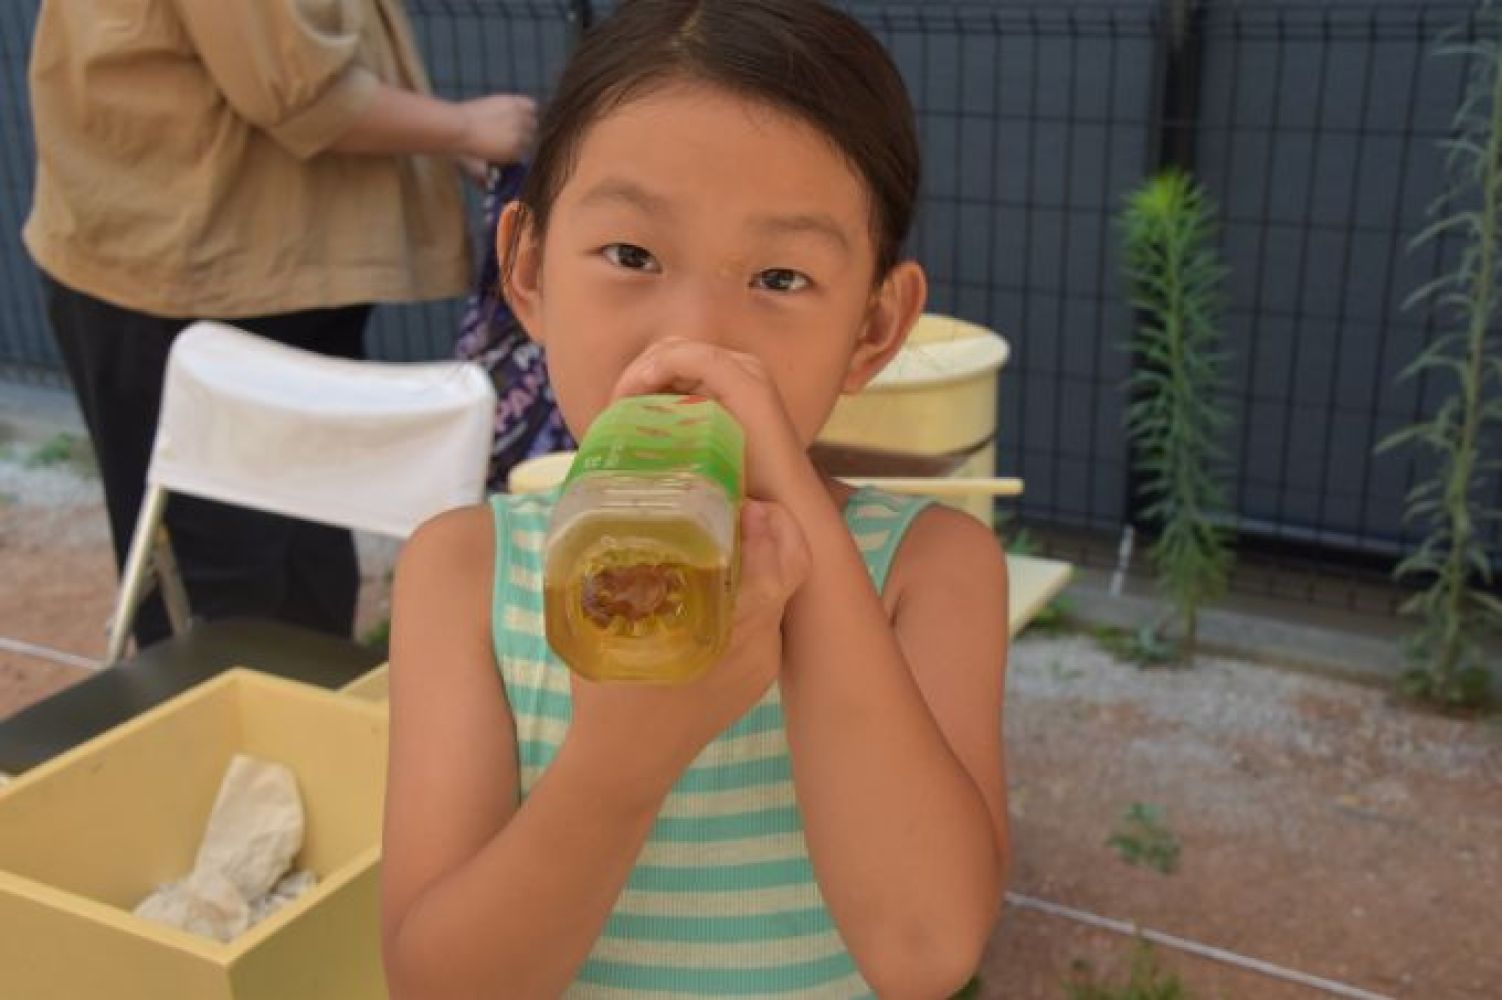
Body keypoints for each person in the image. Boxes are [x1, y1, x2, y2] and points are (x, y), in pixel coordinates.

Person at [381, 1, 1012, 996]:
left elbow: (925, 949)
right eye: (631, 256)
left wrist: (798, 527)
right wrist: (620, 763)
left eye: (779, 275)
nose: (692, 335)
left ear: (872, 329)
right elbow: (438, 982)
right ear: (528, 271)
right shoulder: (462, 569)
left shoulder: (929, 571)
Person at [22, 0, 536, 648]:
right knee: (229, 595)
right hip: (191, 280)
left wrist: (436, 131)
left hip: (257, 260)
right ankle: (229, 735)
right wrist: (461, 127)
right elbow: (298, 95)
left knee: (303, 566)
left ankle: (301, 724)